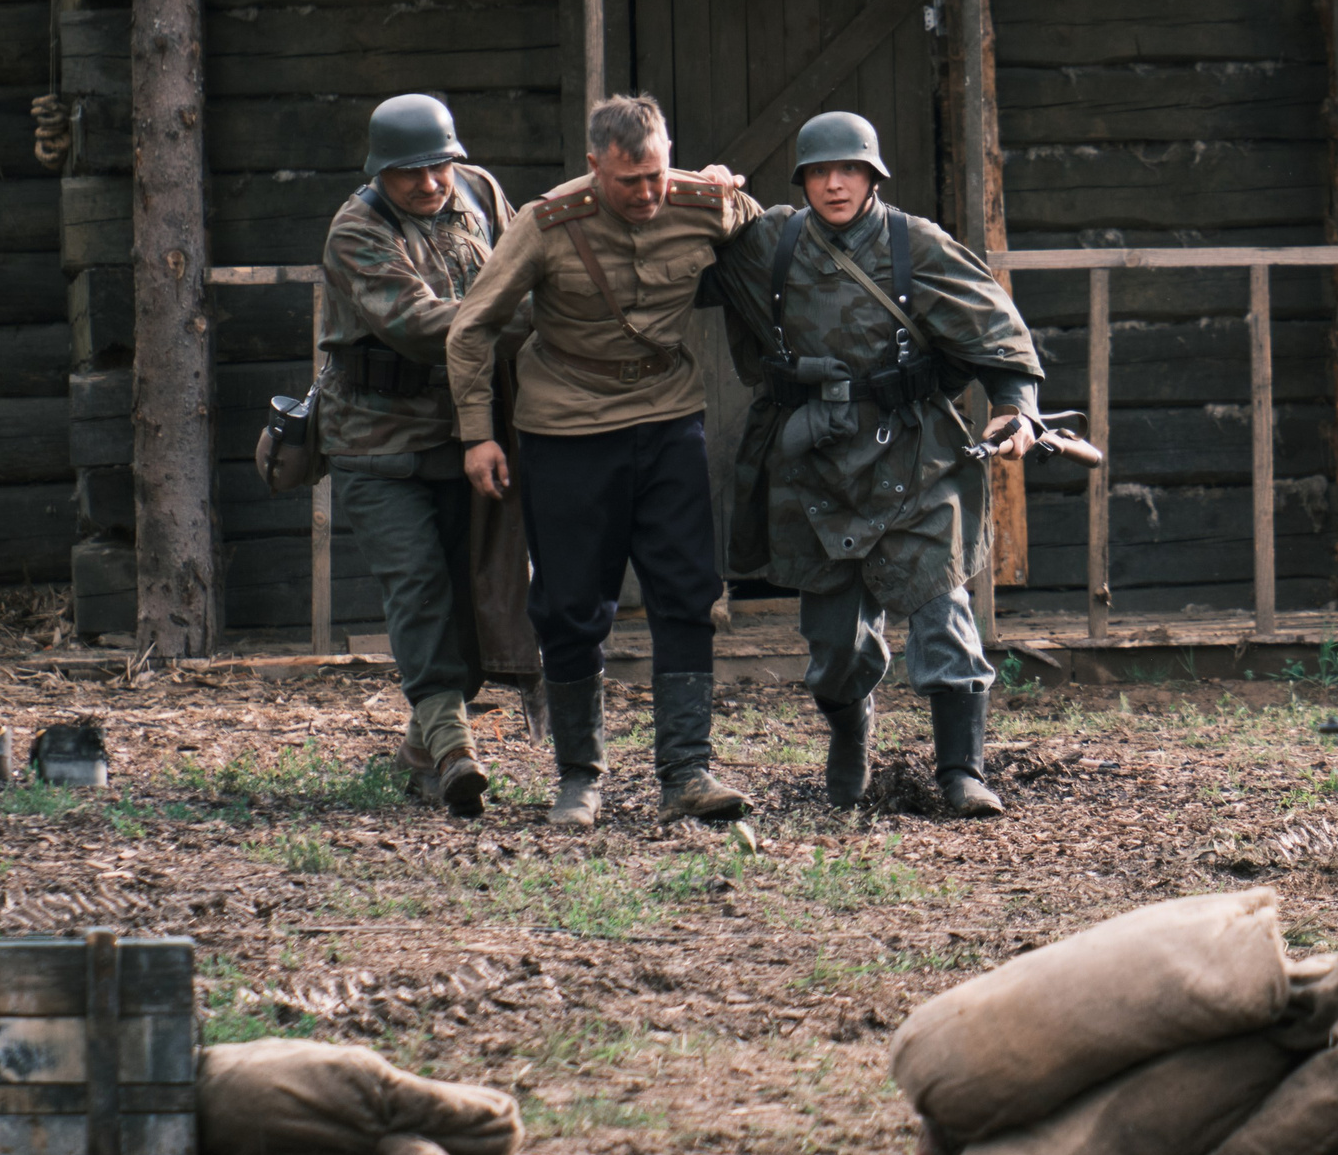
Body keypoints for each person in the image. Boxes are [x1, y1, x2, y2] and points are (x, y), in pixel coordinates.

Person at [711, 111, 1042, 818]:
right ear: (801, 181)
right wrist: (711, 191)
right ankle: (849, 738)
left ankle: (961, 771)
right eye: (821, 172)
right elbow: (690, 231)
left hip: (917, 454)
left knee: (942, 616)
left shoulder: (914, 244)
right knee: (834, 649)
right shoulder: (770, 242)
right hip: (818, 462)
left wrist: (1017, 405)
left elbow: (996, 329)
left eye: (850, 170)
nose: (836, 183)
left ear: (872, 176)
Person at [445, 94, 756, 830]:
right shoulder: (547, 223)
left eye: (657, 174)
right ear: (594, 168)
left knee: (688, 591)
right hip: (568, 430)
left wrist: (725, 183)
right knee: (571, 603)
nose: (648, 193)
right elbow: (471, 327)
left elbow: (749, 222)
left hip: (669, 418)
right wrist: (477, 433)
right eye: (629, 181)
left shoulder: (700, 201)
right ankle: (580, 777)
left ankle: (687, 771)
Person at [315, 94, 520, 818]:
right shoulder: (356, 230)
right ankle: (455, 749)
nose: (431, 183)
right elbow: (422, 323)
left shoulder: (482, 190)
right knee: (418, 588)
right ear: (380, 171)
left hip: (467, 434)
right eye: (411, 173)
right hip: (376, 443)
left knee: (467, 596)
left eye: (440, 165)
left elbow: (526, 258)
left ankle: (418, 747)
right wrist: (527, 318)